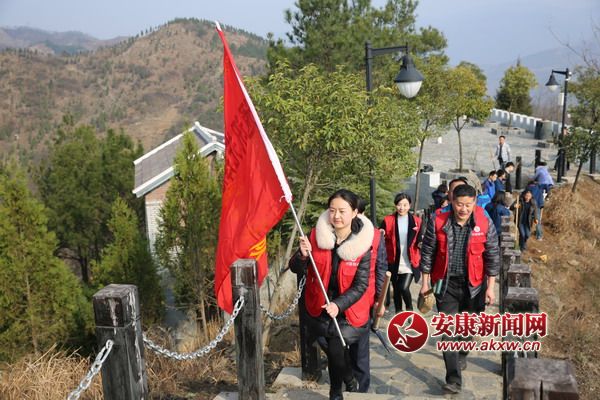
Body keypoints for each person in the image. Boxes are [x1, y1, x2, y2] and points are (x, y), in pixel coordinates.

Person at [289, 189, 372, 400]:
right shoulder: (316, 236)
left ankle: (335, 393)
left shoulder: (363, 243)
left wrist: (339, 304)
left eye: (342, 211)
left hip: (349, 309)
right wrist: (302, 256)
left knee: (336, 345)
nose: (336, 216)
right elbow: (295, 268)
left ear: (354, 212)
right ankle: (349, 377)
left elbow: (361, 285)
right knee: (333, 349)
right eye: (332, 210)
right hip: (320, 305)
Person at [419, 184, 500, 394]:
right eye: (459, 204)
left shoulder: (484, 222)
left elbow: (492, 255)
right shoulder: (438, 221)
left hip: (475, 284)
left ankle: (463, 351)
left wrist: (491, 288)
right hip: (445, 284)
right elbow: (427, 252)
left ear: (475, 203)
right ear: (452, 202)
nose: (463, 209)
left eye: (468, 204)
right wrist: (425, 283)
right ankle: (453, 380)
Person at [348, 198, 387, 393]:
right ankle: (348, 380)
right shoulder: (336, 232)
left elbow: (381, 268)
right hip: (339, 298)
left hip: (364, 298)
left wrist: (380, 300)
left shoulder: (376, 236)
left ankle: (361, 388)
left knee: (360, 348)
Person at [380, 193, 422, 313]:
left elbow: (420, 239)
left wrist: (421, 244)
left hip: (410, 261)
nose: (402, 208)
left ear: (410, 205)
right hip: (394, 260)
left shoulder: (417, 221)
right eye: (399, 205)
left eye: (405, 205)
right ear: (395, 205)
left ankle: (409, 310)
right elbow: (381, 233)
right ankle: (398, 313)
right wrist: (381, 232)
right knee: (396, 290)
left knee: (403, 287)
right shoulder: (388, 220)